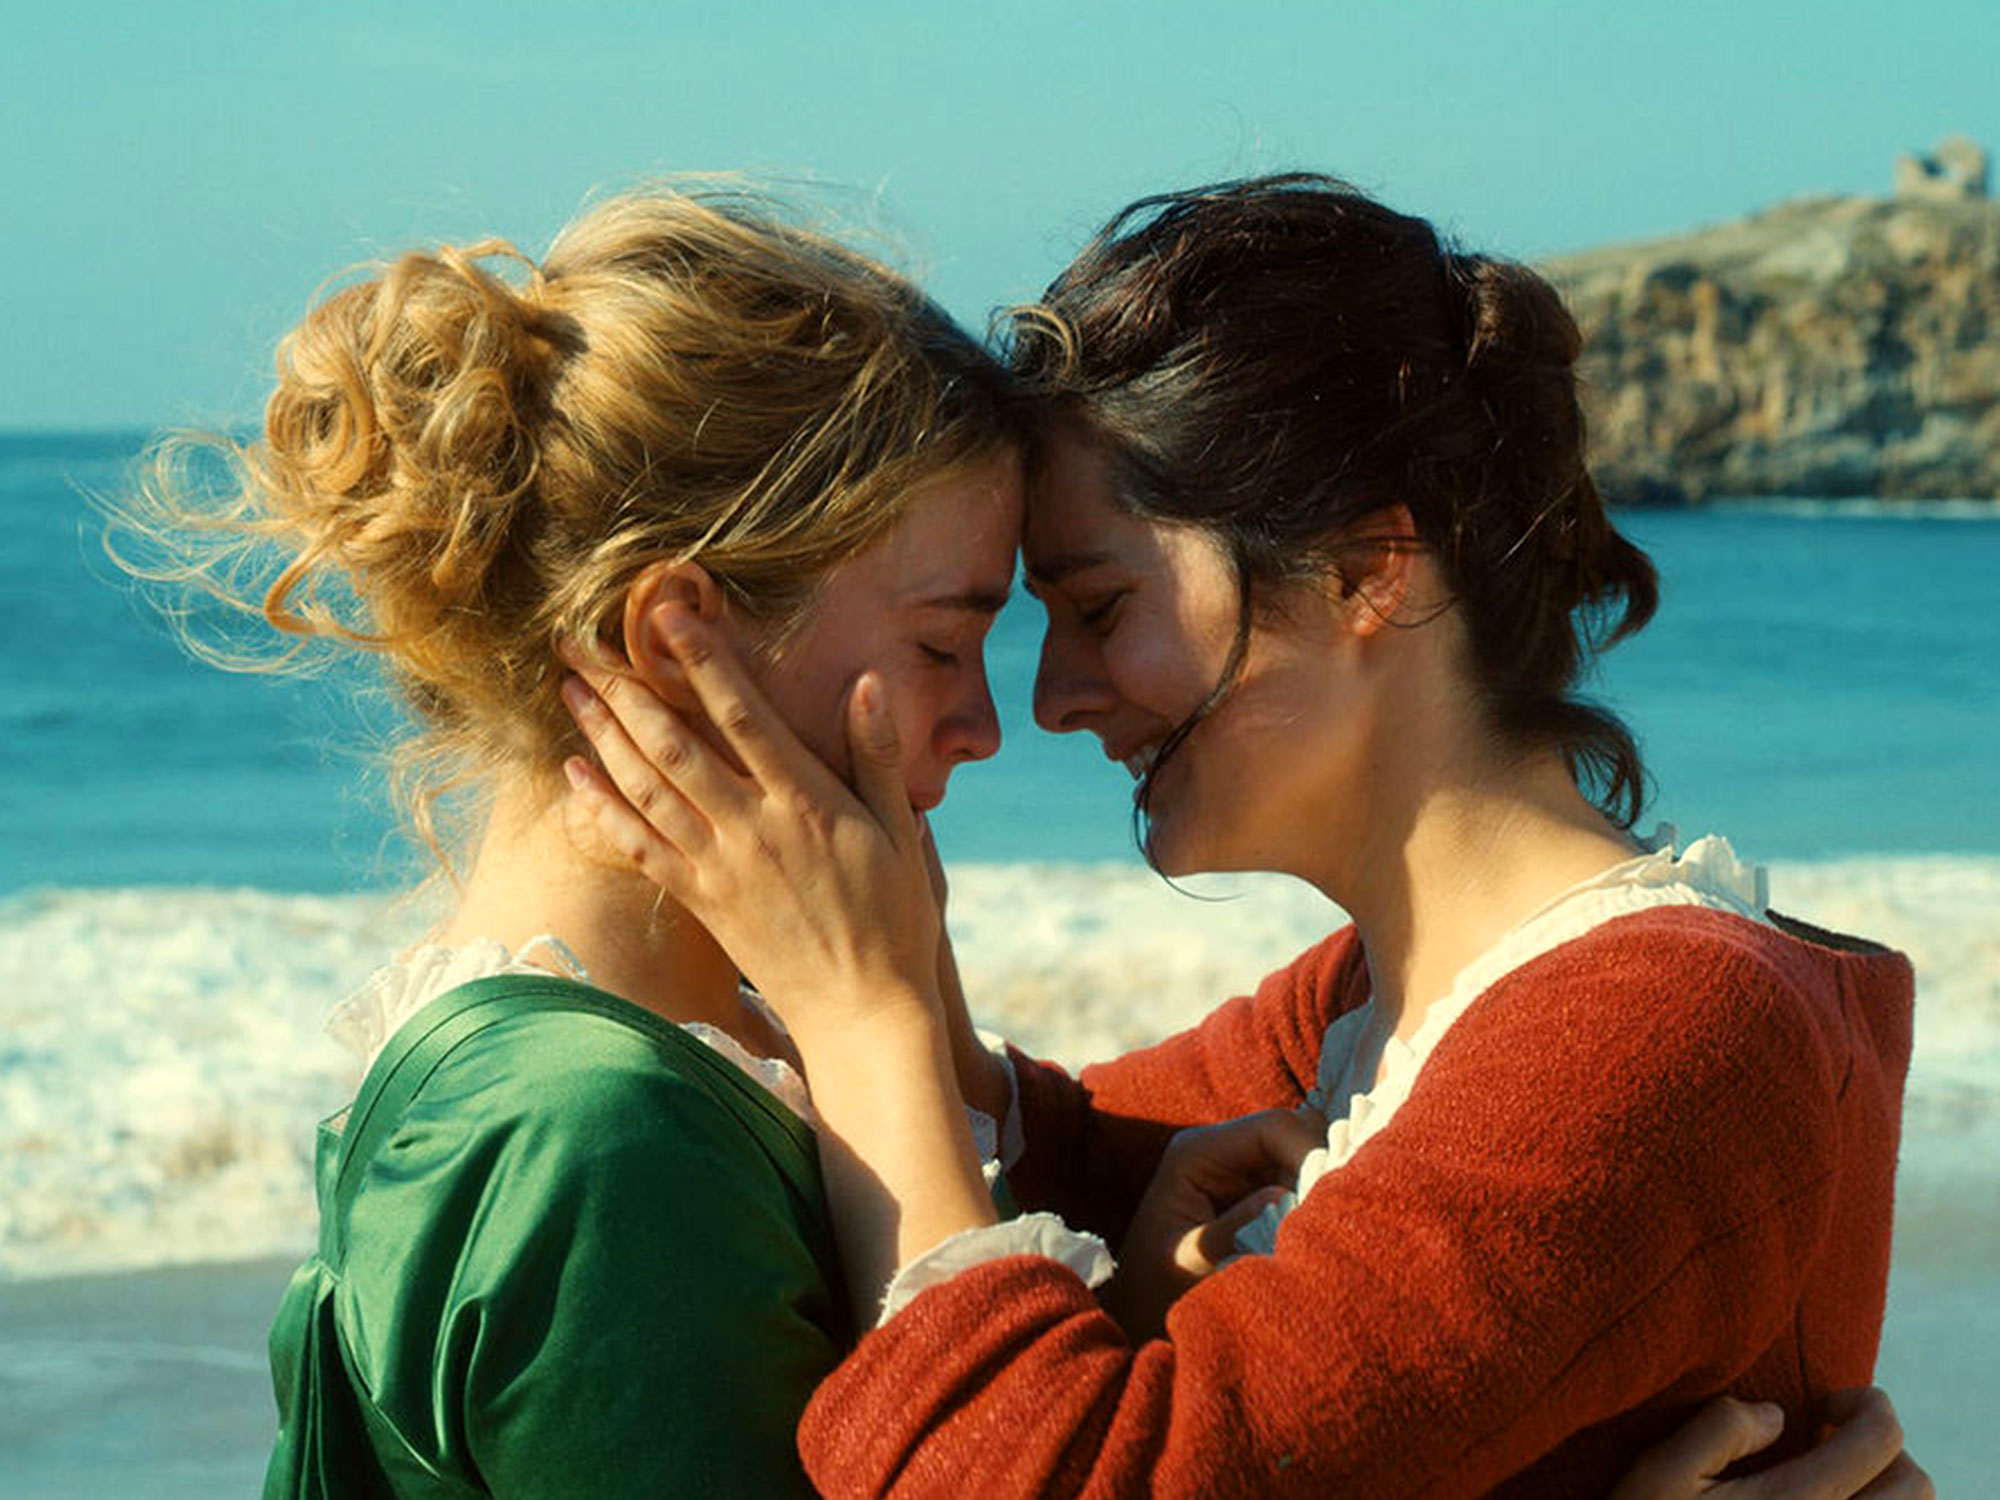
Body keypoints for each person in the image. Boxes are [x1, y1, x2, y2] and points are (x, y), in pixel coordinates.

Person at [560, 175, 1922, 1498]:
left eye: (1100, 609)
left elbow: (1059, 1477)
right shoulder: (1369, 1006)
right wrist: (890, 959)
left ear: (1361, 573)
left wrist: (865, 1016)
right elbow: (1073, 1155)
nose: (1053, 699)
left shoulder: (1653, 1031)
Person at [111, 186, 1026, 1496]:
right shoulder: (604, 1143)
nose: (985, 727)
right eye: (942, 644)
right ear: (677, 642)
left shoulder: (677, 1059)